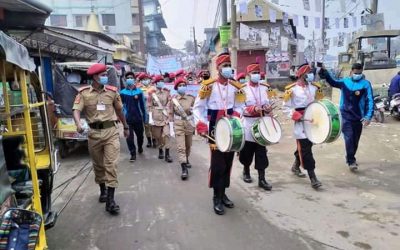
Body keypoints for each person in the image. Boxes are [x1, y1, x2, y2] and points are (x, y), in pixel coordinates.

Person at [72, 63, 129, 214]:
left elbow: (120, 110)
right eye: (102, 75)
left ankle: (110, 200)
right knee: (98, 165)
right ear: (95, 77)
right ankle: (102, 190)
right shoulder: (83, 93)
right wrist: (78, 123)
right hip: (94, 134)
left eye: (105, 74)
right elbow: (76, 110)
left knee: (111, 164)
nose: (105, 77)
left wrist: (126, 126)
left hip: (111, 131)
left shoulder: (112, 92)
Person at [193, 52, 245, 215]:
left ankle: (223, 194)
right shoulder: (208, 86)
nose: (228, 69)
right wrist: (201, 125)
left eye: (230, 66)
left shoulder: (236, 87)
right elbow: (198, 108)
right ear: (218, 68)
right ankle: (216, 197)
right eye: (225, 66)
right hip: (215, 128)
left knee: (228, 162)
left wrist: (237, 114)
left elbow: (240, 106)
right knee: (218, 164)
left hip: (231, 127)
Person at [319, 63, 374, 171]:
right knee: (348, 137)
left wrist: (368, 116)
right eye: (356, 72)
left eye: (359, 73)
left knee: (355, 140)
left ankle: (351, 155)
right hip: (345, 116)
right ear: (352, 71)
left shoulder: (366, 84)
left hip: (358, 117)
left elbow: (370, 100)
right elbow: (333, 82)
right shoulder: (345, 82)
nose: (357, 74)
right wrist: (325, 73)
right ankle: (351, 161)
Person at [283, 63, 324, 189]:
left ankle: (295, 166)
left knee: (306, 146)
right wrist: (296, 116)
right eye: (309, 72)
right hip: (301, 123)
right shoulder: (291, 90)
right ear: (302, 74)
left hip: (313, 121)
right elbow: (286, 108)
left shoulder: (315, 88)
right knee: (306, 150)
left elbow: (319, 103)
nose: (311, 75)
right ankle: (313, 177)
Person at [239, 63, 273, 190]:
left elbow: (270, 102)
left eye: (258, 72)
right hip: (248, 124)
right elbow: (240, 107)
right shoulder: (242, 89)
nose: (256, 75)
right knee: (247, 152)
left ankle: (262, 179)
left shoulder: (265, 88)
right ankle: (246, 170)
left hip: (262, 123)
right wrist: (252, 109)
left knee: (261, 152)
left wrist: (269, 108)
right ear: (248, 75)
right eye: (254, 73)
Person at [169, 77, 196, 180]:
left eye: (184, 85)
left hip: (189, 123)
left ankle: (187, 158)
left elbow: (196, 111)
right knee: (181, 147)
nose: (182, 87)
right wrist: (171, 127)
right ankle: (184, 168)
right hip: (178, 124)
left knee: (188, 145)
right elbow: (171, 113)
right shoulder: (173, 100)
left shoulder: (191, 98)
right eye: (180, 86)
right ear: (176, 88)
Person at [120, 72, 146, 162]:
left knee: (140, 137)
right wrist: (122, 119)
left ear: (134, 79)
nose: (129, 79)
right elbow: (120, 107)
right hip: (128, 120)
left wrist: (145, 118)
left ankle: (140, 147)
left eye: (131, 77)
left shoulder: (139, 92)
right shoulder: (122, 93)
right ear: (125, 80)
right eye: (128, 78)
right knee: (129, 138)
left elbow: (143, 106)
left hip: (138, 118)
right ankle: (133, 153)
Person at [148, 75, 173, 163]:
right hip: (156, 117)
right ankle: (160, 149)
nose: (161, 83)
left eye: (162, 81)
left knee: (167, 135)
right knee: (158, 136)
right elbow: (149, 106)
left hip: (165, 116)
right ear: (156, 83)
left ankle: (167, 154)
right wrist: (150, 118)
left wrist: (169, 116)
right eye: (159, 81)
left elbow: (170, 104)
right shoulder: (152, 93)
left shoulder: (167, 92)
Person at [138, 73, 156, 148]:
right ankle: (149, 141)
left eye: (147, 79)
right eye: (144, 80)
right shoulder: (139, 89)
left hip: (153, 110)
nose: (146, 81)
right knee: (146, 126)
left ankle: (154, 140)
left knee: (153, 126)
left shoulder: (153, 88)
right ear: (141, 81)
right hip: (144, 110)